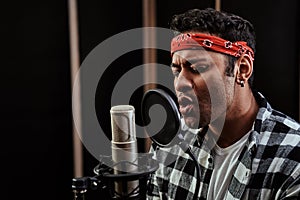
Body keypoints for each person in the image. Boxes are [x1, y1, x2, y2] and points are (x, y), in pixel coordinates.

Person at [146, 8, 300, 200]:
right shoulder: (170, 143)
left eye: (196, 68)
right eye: (177, 70)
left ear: (242, 69)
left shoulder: (293, 158)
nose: (180, 83)